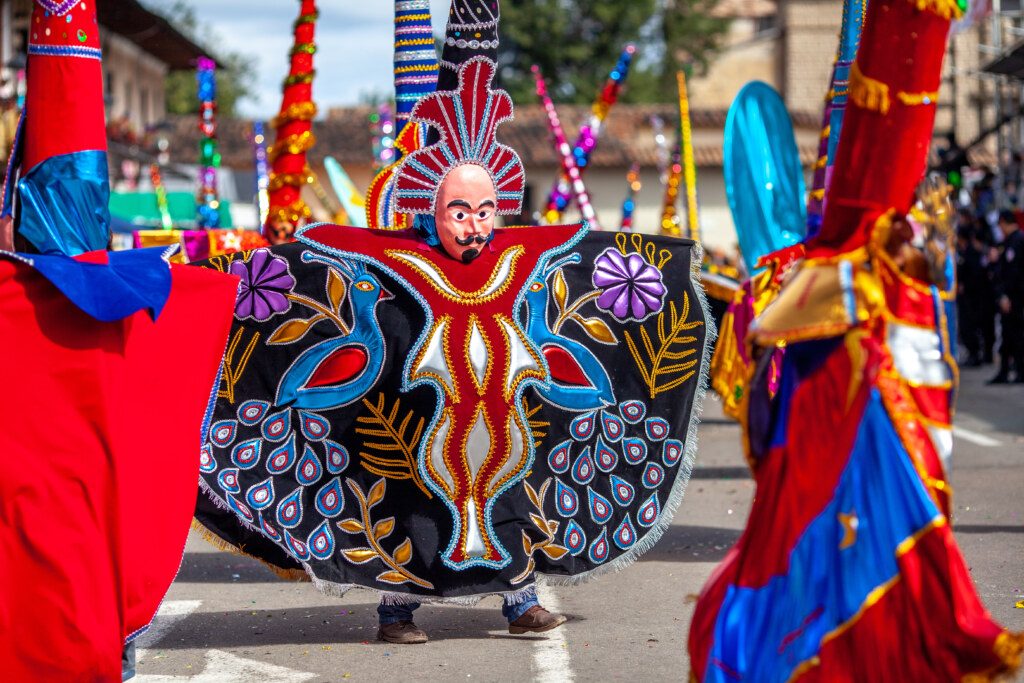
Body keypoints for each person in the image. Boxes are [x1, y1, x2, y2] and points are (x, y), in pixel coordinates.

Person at [191, 0, 709, 651]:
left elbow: (581, 248)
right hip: (412, 411)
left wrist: (672, 264)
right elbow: (314, 257)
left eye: (487, 209)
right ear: (430, 207)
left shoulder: (517, 257)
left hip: (500, 406)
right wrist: (210, 279)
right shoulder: (397, 257)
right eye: (459, 210)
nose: (475, 224)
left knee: (512, 489)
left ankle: (520, 600)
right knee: (402, 499)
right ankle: (397, 612)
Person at [989, 209, 1024, 382]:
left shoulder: (1019, 241)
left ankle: (1020, 371)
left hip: (1016, 298)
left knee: (1018, 336)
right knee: (1007, 336)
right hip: (1007, 297)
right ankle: (1004, 372)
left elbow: (1015, 274)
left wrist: (1008, 296)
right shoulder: (1006, 242)